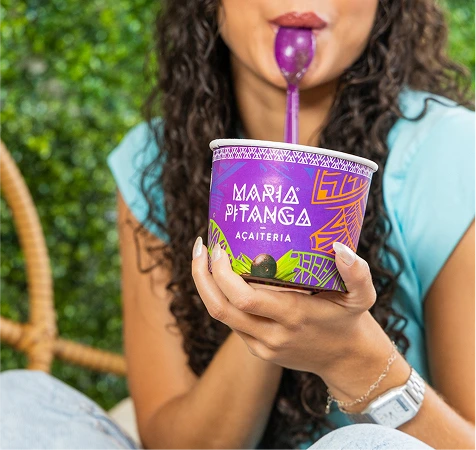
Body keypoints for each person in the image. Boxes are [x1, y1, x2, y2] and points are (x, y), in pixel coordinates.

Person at [0, 0, 475, 449]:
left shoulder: (450, 155)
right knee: (15, 402)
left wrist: (350, 355)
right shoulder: (157, 164)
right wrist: (265, 302)